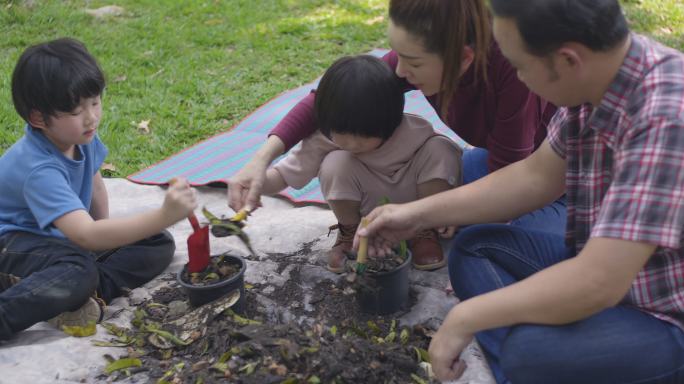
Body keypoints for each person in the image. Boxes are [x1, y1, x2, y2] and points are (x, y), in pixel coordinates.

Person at [354, 0, 684, 383]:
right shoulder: (598, 77)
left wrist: (466, 317)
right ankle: (543, 354)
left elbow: (599, 282)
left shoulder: (665, 118)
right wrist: (416, 214)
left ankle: (532, 359)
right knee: (475, 247)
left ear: (567, 60)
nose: (519, 78)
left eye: (521, 66)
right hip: (604, 266)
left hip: (663, 312)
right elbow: (535, 176)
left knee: (531, 353)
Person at [227, 0, 566, 270]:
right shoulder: (435, 53)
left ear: (464, 58)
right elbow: (327, 100)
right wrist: (261, 159)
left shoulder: (511, 74)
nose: (400, 72)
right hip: (508, 165)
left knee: (477, 251)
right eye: (397, 56)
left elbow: (512, 178)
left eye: (412, 63)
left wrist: (434, 214)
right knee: (451, 185)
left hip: (560, 181)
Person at [0, 38, 197, 340]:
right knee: (77, 268)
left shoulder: (81, 137)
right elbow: (85, 236)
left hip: (56, 245)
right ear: (38, 117)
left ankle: (74, 299)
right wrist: (164, 214)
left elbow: (94, 189)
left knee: (155, 241)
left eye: (94, 102)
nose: (91, 116)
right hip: (11, 246)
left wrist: (105, 233)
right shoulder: (39, 169)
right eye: (77, 110)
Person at [259, 55, 461, 272]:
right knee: (334, 164)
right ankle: (351, 231)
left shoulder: (413, 130)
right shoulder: (322, 140)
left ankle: (425, 229)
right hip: (367, 209)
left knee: (441, 148)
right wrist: (255, 184)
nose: (352, 143)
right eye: (343, 133)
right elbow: (285, 174)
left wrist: (448, 208)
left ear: (389, 121)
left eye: (364, 135)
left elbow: (447, 161)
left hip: (415, 206)